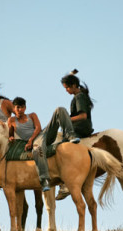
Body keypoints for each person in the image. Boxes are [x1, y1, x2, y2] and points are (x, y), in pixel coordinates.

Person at [8, 97, 80, 192]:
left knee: (60, 110)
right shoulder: (11, 120)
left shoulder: (32, 115)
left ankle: (70, 134)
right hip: (36, 143)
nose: (20, 110)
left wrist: (30, 140)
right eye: (17, 107)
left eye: (22, 107)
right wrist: (11, 138)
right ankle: (44, 180)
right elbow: (10, 134)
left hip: (42, 135)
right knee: (38, 150)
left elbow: (38, 128)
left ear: (25, 108)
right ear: (14, 108)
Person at [56, 69, 94, 200]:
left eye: (67, 88)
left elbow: (83, 115)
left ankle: (66, 183)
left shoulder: (79, 97)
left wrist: (66, 119)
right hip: (77, 126)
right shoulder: (78, 96)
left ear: (73, 86)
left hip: (81, 127)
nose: (66, 90)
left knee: (61, 148)